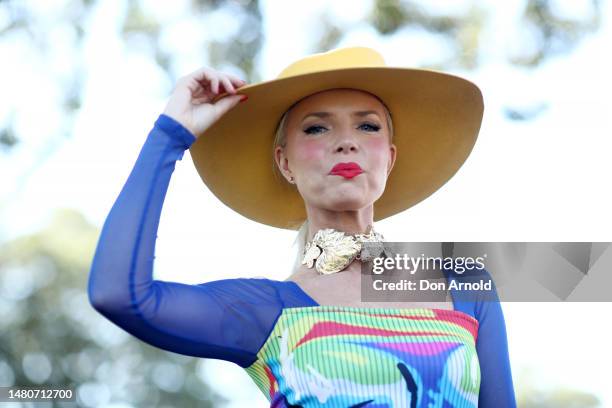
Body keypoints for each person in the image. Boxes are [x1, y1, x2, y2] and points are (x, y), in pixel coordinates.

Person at [88, 46, 516, 407]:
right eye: (316, 128)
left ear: (390, 157)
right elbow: (118, 296)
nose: (345, 141)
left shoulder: (465, 283)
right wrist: (170, 136)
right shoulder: (267, 311)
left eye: (367, 125)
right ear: (285, 162)